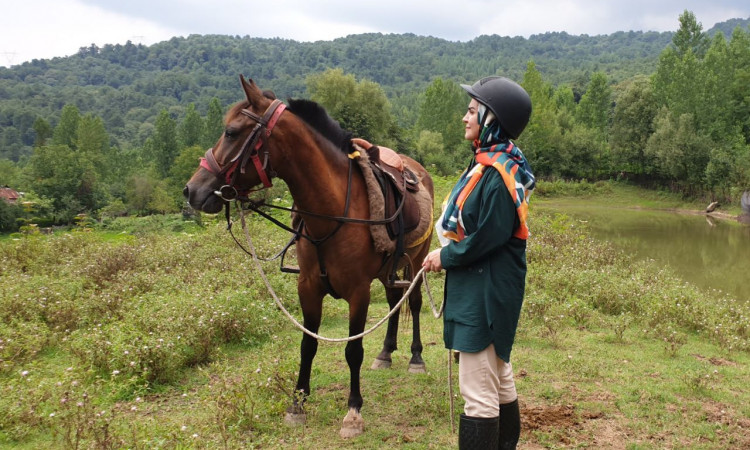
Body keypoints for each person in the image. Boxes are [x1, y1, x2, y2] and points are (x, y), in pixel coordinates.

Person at [422, 76, 535, 449]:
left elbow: (486, 238)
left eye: (472, 111)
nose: (464, 117)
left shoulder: (498, 175)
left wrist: (445, 255)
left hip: (485, 293)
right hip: (482, 288)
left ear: (491, 119)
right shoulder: (487, 165)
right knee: (498, 376)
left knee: (478, 393)